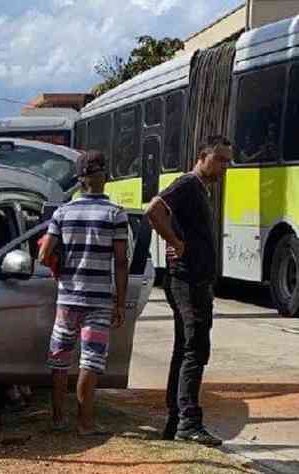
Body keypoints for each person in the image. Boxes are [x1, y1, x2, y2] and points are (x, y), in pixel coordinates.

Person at [145, 136, 233, 447]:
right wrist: (175, 242)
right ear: (203, 156)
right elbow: (153, 211)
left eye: (227, 161)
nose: (225, 167)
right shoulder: (187, 183)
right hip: (187, 281)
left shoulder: (200, 190)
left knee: (186, 349)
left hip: (196, 281)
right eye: (220, 159)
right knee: (195, 348)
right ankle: (188, 422)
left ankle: (175, 420)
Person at [39, 150, 129, 436]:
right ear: (103, 176)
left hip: (67, 299)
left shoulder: (63, 212)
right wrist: (120, 302)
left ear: (79, 180)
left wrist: (61, 266)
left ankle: (57, 419)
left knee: (60, 358)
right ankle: (85, 424)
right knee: (91, 361)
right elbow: (122, 261)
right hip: (99, 301)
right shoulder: (115, 214)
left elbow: (43, 255)